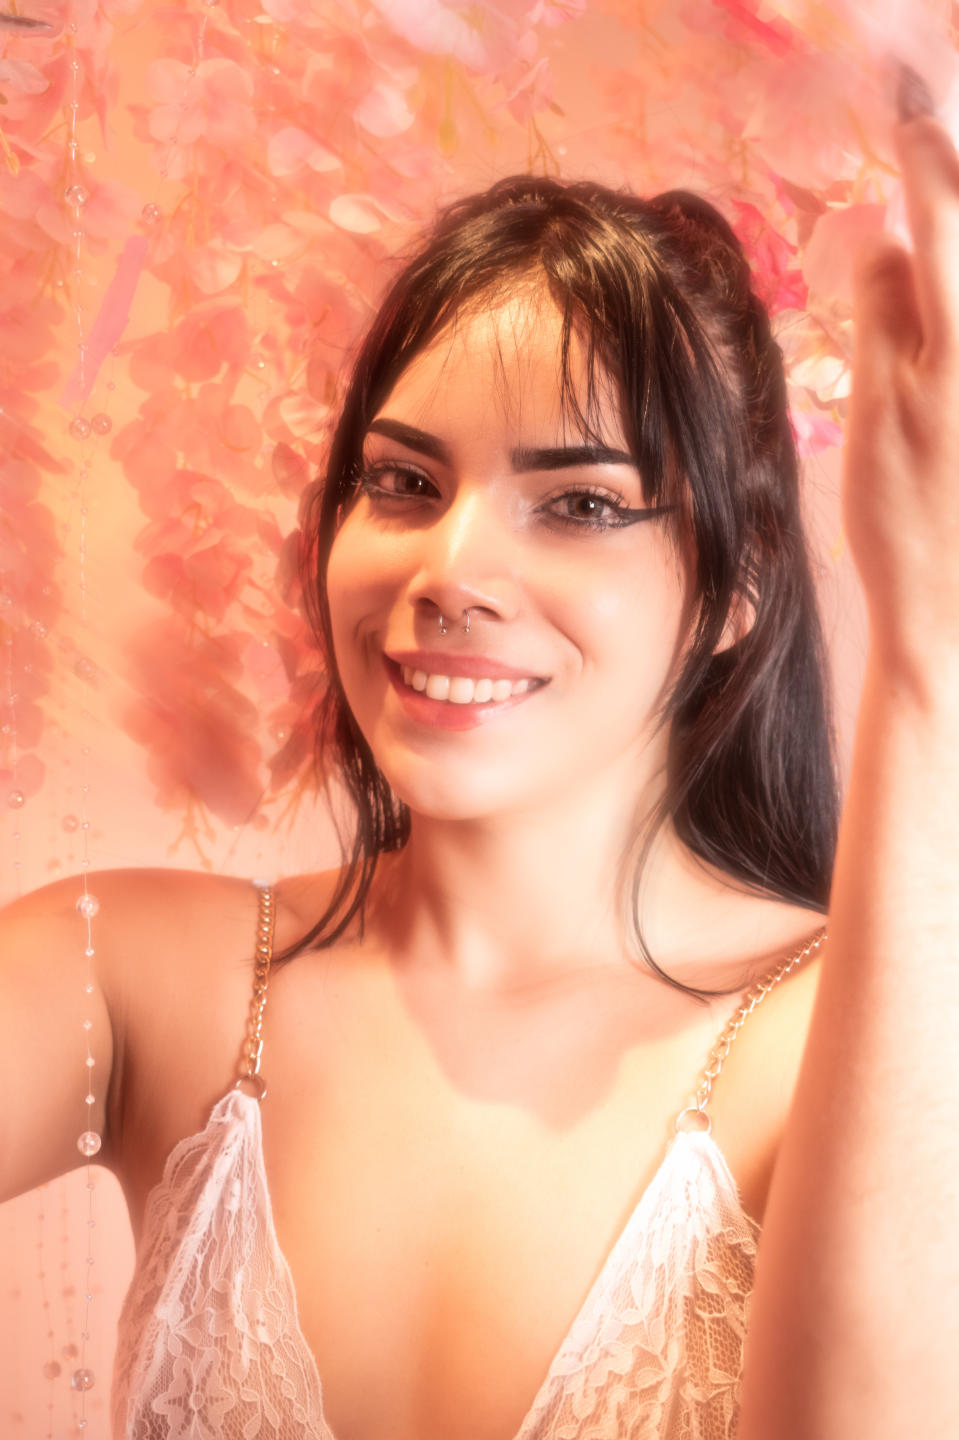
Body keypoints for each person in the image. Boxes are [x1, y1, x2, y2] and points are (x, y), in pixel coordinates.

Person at [2, 88, 957, 1440]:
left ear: (738, 586)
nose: (452, 571)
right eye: (403, 483)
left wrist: (932, 658)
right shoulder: (131, 979)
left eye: (581, 503)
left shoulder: (841, 1044)